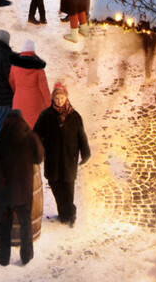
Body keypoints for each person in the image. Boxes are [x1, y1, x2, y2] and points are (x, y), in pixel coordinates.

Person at [0, 110, 43, 267]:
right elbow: (39, 157)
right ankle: (26, 255)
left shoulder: (1, 137)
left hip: (4, 194)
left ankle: (3, 258)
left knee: (4, 227)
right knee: (26, 224)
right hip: (24, 192)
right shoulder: (30, 137)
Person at [32, 82, 91, 226]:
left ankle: (70, 214)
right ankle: (65, 212)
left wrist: (86, 153)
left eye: (62, 98)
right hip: (52, 158)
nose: (59, 101)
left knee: (68, 186)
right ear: (53, 98)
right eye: (57, 98)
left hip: (69, 158)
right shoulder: (46, 115)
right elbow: (36, 135)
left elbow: (81, 136)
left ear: (66, 98)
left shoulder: (75, 116)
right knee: (55, 184)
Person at [0, 30, 46, 135]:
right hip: (3, 99)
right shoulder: (5, 57)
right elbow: (11, 79)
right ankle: (1, 149)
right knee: (2, 127)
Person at [8, 37, 51, 128]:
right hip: (35, 104)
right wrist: (49, 106)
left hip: (18, 101)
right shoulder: (38, 68)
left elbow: (12, 83)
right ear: (33, 51)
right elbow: (44, 89)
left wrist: (17, 92)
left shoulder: (14, 66)